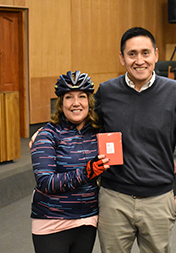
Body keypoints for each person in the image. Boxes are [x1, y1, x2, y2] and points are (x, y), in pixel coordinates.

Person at [95, 27, 176, 252]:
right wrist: (46, 132)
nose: (139, 60)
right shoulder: (106, 92)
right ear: (122, 58)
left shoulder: (175, 92)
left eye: (145, 53)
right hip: (114, 199)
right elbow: (82, 125)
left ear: (156, 54)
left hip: (158, 199)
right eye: (132, 54)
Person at [30, 70, 110, 253]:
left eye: (82, 96)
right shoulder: (47, 135)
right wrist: (86, 173)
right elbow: (45, 182)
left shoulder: (98, 132)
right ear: (60, 103)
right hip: (52, 222)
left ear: (89, 102)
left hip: (87, 220)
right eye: (69, 97)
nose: (76, 103)